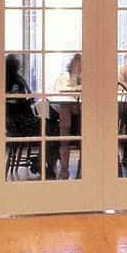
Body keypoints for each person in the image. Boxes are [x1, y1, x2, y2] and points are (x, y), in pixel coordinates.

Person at [47, 52, 82, 180]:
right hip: (60, 114)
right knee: (64, 132)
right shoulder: (65, 76)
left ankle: (82, 170)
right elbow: (62, 89)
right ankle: (63, 170)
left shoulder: (85, 78)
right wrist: (79, 88)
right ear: (73, 64)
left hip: (78, 114)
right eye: (78, 64)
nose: (80, 68)